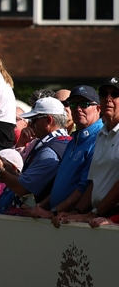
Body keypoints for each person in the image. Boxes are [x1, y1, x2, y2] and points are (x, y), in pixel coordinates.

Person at [56, 78, 119, 228]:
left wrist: (95, 213)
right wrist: (76, 211)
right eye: (104, 94)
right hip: (100, 216)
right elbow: (93, 182)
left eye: (115, 94)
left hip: (112, 217)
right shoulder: (101, 134)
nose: (108, 99)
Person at [0, 97, 70, 217]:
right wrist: (10, 172)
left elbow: (23, 189)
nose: (30, 124)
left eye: (34, 120)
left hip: (41, 224)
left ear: (48, 120)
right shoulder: (66, 141)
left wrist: (1, 171)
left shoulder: (49, 151)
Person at [45, 87, 103, 224]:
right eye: (73, 104)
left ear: (98, 109)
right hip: (60, 218)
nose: (78, 109)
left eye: (84, 104)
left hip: (77, 221)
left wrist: (53, 211)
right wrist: (42, 206)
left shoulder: (100, 138)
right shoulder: (75, 139)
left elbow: (84, 187)